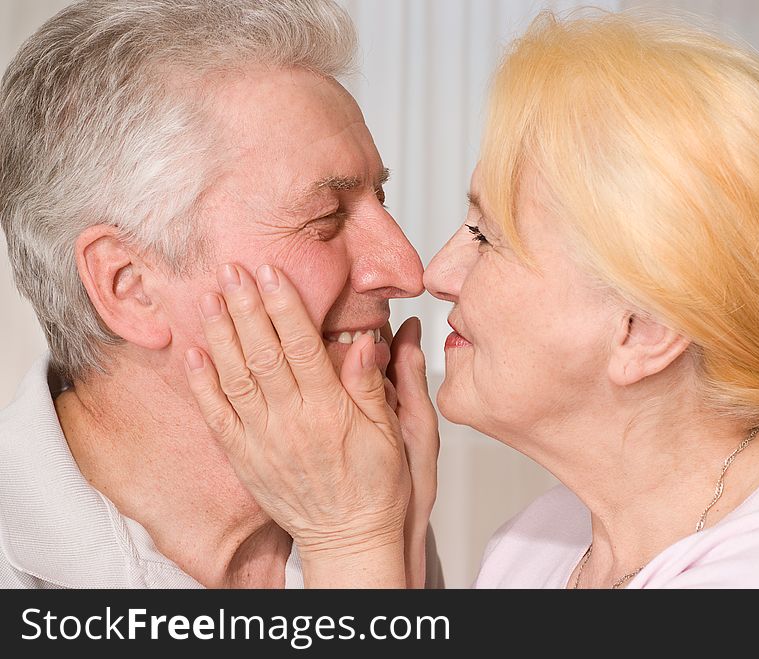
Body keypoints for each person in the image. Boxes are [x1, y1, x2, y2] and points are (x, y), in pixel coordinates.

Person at [184, 9, 759, 588]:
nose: (436, 271)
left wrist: (348, 536)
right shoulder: (540, 544)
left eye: (487, 236)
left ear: (642, 328)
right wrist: (395, 544)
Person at [0, 0, 443, 589]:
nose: (407, 270)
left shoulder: (369, 495)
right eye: (326, 218)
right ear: (130, 287)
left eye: (378, 201)